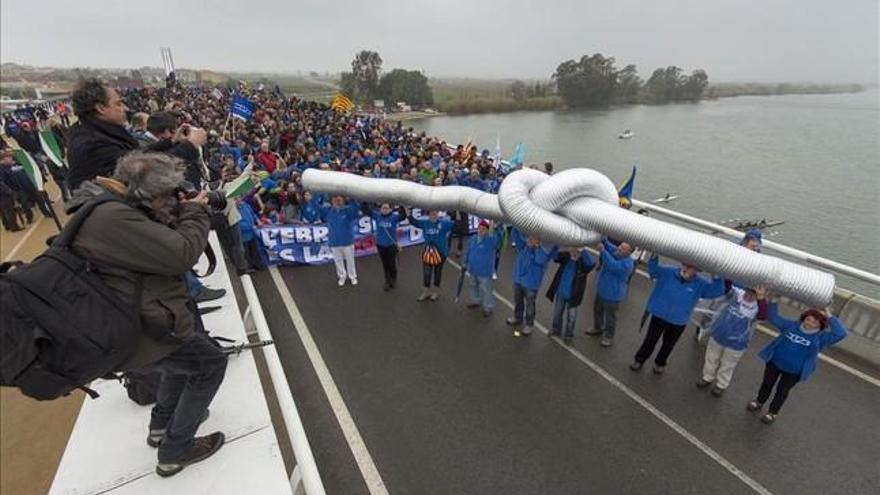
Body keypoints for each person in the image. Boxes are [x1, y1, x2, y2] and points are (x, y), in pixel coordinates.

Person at [67, 151, 227, 477]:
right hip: (136, 323)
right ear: (149, 194)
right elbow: (180, 253)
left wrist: (174, 213)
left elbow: (147, 245)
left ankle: (160, 426)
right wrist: (195, 212)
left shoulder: (108, 205)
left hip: (128, 317)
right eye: (167, 195)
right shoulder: (114, 217)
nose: (172, 200)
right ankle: (174, 449)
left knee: (176, 362)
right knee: (210, 363)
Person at [746, 305, 846, 424]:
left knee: (782, 391)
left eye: (814, 322)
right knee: (767, 384)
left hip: (794, 372)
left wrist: (829, 316)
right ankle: (759, 402)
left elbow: (841, 334)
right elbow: (773, 317)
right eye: (808, 319)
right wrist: (774, 300)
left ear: (820, 325)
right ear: (803, 318)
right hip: (774, 362)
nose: (809, 323)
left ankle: (772, 413)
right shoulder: (792, 326)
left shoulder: (822, 337)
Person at [631, 255, 725, 373]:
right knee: (650, 340)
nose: (686, 268)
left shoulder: (700, 284)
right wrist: (654, 256)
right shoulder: (668, 272)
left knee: (668, 345)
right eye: (685, 264)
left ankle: (660, 363)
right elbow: (653, 271)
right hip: (659, 315)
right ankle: (639, 360)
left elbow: (717, 291)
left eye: (690, 267)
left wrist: (716, 275)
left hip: (678, 321)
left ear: (696, 270)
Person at [67, 78, 138, 189]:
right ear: (101, 108)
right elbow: (137, 170)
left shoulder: (95, 132)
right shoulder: (93, 145)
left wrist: (170, 142)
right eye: (118, 104)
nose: (126, 108)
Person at [697, 285, 768, 396]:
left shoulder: (758, 306)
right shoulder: (736, 294)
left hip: (737, 343)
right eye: (748, 291)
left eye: (753, 293)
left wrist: (761, 299)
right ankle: (707, 377)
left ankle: (721, 385)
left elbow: (763, 316)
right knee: (711, 357)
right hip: (719, 334)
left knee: (727, 365)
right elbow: (726, 285)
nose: (749, 295)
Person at [694, 229, 763, 341]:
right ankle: (701, 328)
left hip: (739, 290)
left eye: (757, 246)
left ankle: (715, 331)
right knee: (713, 308)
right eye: (753, 245)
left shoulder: (757, 255)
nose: (755, 249)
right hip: (724, 286)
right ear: (746, 242)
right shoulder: (733, 249)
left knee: (726, 312)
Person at [506, 228, 558, 337]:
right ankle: (517, 318)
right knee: (518, 301)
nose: (529, 240)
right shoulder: (524, 247)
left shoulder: (542, 253)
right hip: (518, 280)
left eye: (533, 239)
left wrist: (536, 247)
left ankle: (529, 324)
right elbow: (515, 235)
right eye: (530, 238)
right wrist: (515, 225)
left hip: (531, 284)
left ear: (539, 241)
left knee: (530, 305)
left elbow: (539, 260)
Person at [545, 246, 596, 345]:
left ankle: (569, 336)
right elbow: (554, 257)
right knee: (557, 314)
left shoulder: (583, 264)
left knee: (571, 318)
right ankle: (556, 329)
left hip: (574, 296)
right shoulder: (566, 257)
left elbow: (591, 264)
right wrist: (556, 246)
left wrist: (583, 251)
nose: (573, 251)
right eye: (573, 249)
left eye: (577, 250)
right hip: (561, 292)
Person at [590, 240, 635, 347]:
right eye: (620, 246)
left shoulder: (628, 264)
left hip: (613, 296)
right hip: (602, 290)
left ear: (629, 253)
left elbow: (612, 265)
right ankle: (598, 327)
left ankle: (608, 336)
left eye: (623, 248)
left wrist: (602, 251)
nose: (619, 248)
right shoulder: (617, 252)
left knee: (610, 318)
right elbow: (609, 245)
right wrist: (603, 239)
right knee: (597, 310)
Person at [146, 112, 207, 188]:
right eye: (173, 131)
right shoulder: (142, 146)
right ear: (166, 130)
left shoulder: (147, 144)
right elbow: (159, 166)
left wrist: (172, 141)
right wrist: (191, 144)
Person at [407, 208, 453, 301]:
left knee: (437, 273)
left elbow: (456, 225)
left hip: (441, 253)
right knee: (426, 273)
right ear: (428, 215)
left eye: (435, 214)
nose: (433, 216)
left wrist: (457, 212)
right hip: (428, 252)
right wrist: (408, 213)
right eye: (431, 214)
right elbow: (414, 222)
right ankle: (425, 292)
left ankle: (435, 293)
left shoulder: (444, 223)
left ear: (438, 214)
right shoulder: (425, 223)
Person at [463, 219, 502, 316]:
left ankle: (488, 307)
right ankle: (476, 300)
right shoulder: (473, 238)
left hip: (484, 271)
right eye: (479, 228)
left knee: (486, 289)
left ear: (487, 230)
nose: (481, 230)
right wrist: (465, 262)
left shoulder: (491, 240)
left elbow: (498, 240)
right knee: (473, 285)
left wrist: (497, 228)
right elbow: (468, 251)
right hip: (472, 269)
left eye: (483, 229)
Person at [322, 195, 360, 287]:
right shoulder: (329, 211)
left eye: (339, 199)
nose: (337, 201)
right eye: (335, 199)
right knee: (338, 261)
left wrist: (351, 199)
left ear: (343, 200)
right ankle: (342, 276)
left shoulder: (348, 210)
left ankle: (352, 276)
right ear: (332, 201)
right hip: (334, 241)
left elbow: (356, 209)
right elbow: (319, 209)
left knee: (350, 260)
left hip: (347, 241)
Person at [371, 202, 403, 290]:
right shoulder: (377, 216)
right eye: (383, 208)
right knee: (385, 264)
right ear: (380, 209)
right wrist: (366, 200)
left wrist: (402, 204)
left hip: (391, 245)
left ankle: (393, 279)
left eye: (386, 208)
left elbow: (403, 216)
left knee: (391, 264)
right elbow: (366, 210)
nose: (384, 210)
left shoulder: (394, 217)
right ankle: (387, 281)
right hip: (380, 245)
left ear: (390, 209)